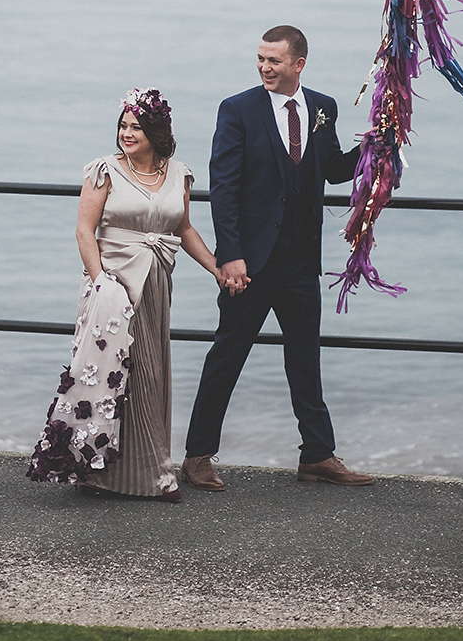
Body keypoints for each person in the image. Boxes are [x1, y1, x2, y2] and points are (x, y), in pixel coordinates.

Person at [182, 26, 373, 490]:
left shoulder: (322, 107)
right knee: (227, 354)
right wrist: (231, 256)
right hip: (251, 263)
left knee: (306, 359)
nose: (265, 68)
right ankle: (197, 455)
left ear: (299, 64)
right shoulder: (238, 109)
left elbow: (330, 171)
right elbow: (223, 188)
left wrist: (375, 146)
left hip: (301, 260)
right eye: (261, 59)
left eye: (275, 61)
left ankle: (317, 454)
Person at [28, 87, 221, 501]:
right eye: (123, 125)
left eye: (136, 126)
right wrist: (101, 282)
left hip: (154, 284)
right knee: (108, 377)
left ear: (156, 131)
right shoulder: (104, 171)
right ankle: (95, 473)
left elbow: (183, 229)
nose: (127, 133)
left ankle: (151, 473)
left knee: (149, 375)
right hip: (113, 285)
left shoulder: (178, 173)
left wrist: (217, 269)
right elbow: (84, 230)